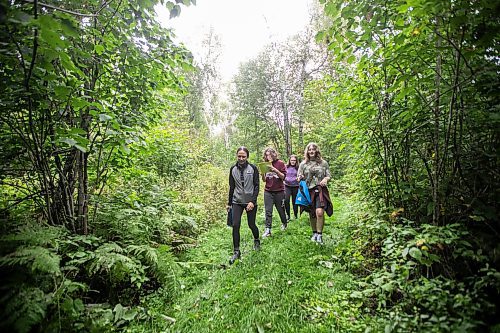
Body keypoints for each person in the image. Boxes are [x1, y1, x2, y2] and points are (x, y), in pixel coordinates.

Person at [227, 146, 261, 265]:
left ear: (247, 157)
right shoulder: (232, 169)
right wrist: (229, 203)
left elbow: (257, 186)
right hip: (237, 201)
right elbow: (231, 187)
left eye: (243, 156)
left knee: (251, 224)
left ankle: (256, 240)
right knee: (235, 225)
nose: (241, 158)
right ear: (237, 156)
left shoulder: (253, 168)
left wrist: (252, 201)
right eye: (239, 156)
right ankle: (236, 251)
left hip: (250, 201)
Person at [297, 142, 333, 244]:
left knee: (320, 212)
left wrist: (326, 179)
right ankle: (314, 233)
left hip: (320, 189)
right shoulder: (303, 164)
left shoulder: (323, 163)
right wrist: (300, 178)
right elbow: (298, 176)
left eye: (313, 149)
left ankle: (320, 234)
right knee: (312, 213)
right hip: (308, 190)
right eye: (309, 149)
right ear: (307, 152)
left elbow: (328, 175)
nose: (311, 151)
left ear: (316, 151)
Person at [261, 147, 288, 237]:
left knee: (281, 210)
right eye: (267, 155)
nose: (268, 156)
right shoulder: (265, 164)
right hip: (268, 191)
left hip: (279, 191)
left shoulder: (280, 163)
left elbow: (283, 177)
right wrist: (263, 174)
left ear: (274, 154)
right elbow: (264, 180)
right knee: (268, 211)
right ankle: (268, 229)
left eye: (270, 154)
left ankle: (284, 223)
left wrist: (275, 170)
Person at [284, 155, 300, 221]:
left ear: (296, 161)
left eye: (294, 160)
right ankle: (288, 215)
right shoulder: (286, 167)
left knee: (295, 202)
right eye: (291, 160)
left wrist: (300, 177)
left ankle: (295, 215)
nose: (293, 162)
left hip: (295, 186)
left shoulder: (298, 168)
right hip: (287, 186)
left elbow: (301, 175)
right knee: (286, 200)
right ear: (289, 161)